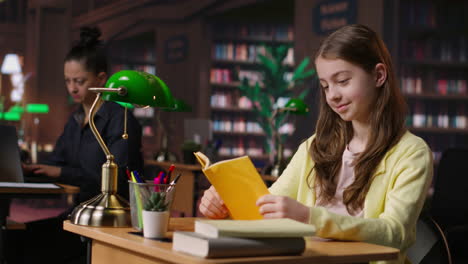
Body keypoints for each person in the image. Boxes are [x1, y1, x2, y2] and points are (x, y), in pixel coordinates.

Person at [199, 24, 433, 264]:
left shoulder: (411, 153)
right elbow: (264, 210)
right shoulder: (314, 147)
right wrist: (226, 204)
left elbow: (394, 234)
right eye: (325, 86)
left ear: (378, 75)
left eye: (342, 81)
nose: (332, 95)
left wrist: (310, 218)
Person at [17, 26, 144, 264]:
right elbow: (56, 162)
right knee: (14, 237)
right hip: (81, 215)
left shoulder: (121, 121)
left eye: (79, 81)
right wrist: (30, 169)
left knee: (25, 244)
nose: (72, 88)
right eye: (67, 81)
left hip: (112, 221)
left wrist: (61, 172)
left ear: (101, 79)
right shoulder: (75, 121)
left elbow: (114, 180)